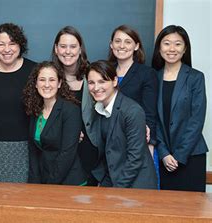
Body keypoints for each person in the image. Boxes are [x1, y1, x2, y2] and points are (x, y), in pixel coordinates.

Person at [0, 23, 36, 183]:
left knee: (19, 198)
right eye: (1, 44)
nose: (7, 49)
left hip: (23, 147)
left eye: (12, 43)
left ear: (20, 45)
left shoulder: (34, 71)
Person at [152, 25, 208, 192]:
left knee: (192, 213)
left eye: (178, 44)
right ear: (159, 48)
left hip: (191, 156)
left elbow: (197, 120)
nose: (171, 49)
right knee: (165, 212)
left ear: (185, 49)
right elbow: (153, 119)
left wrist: (179, 155)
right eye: (166, 43)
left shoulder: (195, 77)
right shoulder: (153, 77)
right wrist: (164, 153)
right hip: (164, 158)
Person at [87, 60, 157, 189]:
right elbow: (108, 152)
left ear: (114, 81)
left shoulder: (132, 111)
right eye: (91, 83)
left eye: (102, 81)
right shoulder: (98, 110)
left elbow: (135, 158)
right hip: (114, 180)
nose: (96, 88)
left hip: (136, 185)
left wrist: (116, 189)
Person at [23, 61, 86, 185]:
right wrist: (34, 184)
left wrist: (49, 184)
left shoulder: (70, 110)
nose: (46, 85)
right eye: (42, 80)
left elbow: (67, 153)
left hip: (69, 182)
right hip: (45, 179)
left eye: (52, 80)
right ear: (35, 84)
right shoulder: (35, 110)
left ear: (59, 83)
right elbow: (34, 151)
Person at [51, 26, 98, 184]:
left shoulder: (93, 75)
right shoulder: (49, 79)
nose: (67, 51)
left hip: (90, 151)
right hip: (60, 151)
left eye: (73, 46)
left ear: (80, 49)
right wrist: (67, 133)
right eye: (63, 46)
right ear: (56, 49)